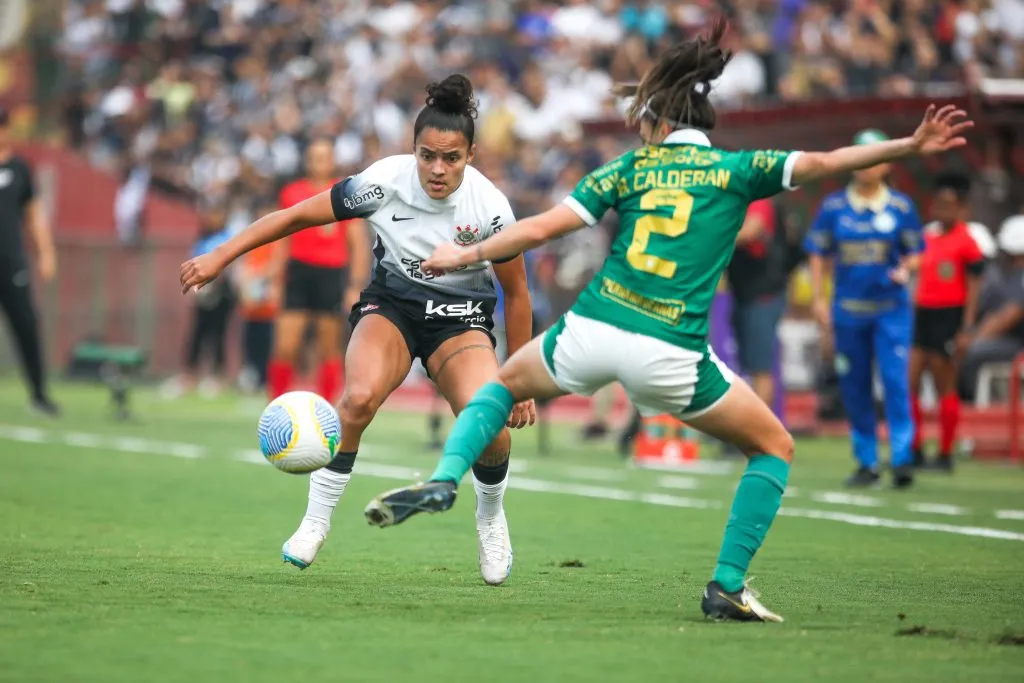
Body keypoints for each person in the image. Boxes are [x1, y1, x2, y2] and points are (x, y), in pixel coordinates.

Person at [360, 19, 972, 623]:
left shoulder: (632, 168)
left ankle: (444, 479)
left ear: (657, 124)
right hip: (671, 351)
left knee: (497, 388)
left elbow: (542, 227)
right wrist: (908, 145)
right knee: (773, 447)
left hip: (592, 330)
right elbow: (827, 161)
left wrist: (463, 253)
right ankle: (727, 585)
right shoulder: (736, 169)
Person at [180, 75, 536, 586]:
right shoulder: (383, 181)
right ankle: (315, 521)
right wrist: (220, 254)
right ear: (412, 150)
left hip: (459, 319)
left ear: (471, 154)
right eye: (427, 155)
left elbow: (518, 294)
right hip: (392, 306)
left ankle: (490, 516)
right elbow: (295, 217)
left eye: (451, 158)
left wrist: (519, 380)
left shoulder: (491, 209)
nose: (437, 169)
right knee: (357, 400)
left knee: (493, 430)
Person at [805, 129, 924, 490]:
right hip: (848, 311)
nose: (864, 163)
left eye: (871, 154)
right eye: (858, 153)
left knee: (894, 382)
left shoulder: (901, 207)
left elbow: (916, 252)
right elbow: (817, 253)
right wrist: (819, 298)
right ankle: (866, 461)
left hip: (891, 311)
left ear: (886, 163)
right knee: (854, 386)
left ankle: (902, 458)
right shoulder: (834, 208)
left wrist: (908, 269)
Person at [267, 139, 370, 405]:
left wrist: (354, 285)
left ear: (333, 159)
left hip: (331, 274)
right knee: (285, 347)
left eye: (324, 156)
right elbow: (282, 238)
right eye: (314, 156)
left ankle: (326, 409)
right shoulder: (292, 192)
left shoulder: (346, 193)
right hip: (298, 273)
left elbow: (358, 243)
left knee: (329, 348)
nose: (319, 161)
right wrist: (276, 279)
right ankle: (277, 406)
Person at [909, 172, 986, 471]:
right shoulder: (927, 237)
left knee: (944, 383)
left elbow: (975, 286)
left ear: (961, 209)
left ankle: (944, 453)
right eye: (938, 205)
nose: (942, 211)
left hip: (949, 315)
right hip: (922, 313)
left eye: (948, 205)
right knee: (911, 379)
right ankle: (913, 448)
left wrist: (966, 327)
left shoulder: (966, 241)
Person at [0, 106, 60, 416]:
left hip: (11, 264)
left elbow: (35, 216)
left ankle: (39, 394)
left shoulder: (20, 169)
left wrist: (46, 253)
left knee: (26, 327)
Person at [727, 197, 789, 412]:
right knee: (749, 367)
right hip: (743, 295)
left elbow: (752, 230)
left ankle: (761, 436)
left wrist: (712, 237)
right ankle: (748, 431)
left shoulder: (758, 198)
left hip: (763, 296)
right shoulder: (738, 200)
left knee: (760, 368)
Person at [959, 215, 1024, 401]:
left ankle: (969, 403)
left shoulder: (1018, 277)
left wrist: (974, 339)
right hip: (1008, 338)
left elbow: (1008, 316)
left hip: (1017, 343)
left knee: (975, 351)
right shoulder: (1005, 275)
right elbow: (994, 316)